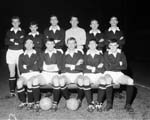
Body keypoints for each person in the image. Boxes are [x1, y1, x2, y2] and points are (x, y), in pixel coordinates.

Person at [31, 38, 63, 112]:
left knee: (56, 81)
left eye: (52, 44)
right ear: (45, 45)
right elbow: (39, 65)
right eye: (48, 44)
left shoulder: (59, 53)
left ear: (54, 44)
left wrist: (54, 67)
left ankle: (55, 103)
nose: (50, 46)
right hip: (45, 73)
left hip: (54, 74)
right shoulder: (42, 53)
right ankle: (37, 103)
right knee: (35, 80)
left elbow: (60, 66)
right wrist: (47, 67)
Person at [104, 38, 135, 112]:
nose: (113, 47)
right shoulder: (106, 54)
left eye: (115, 45)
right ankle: (109, 104)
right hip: (108, 73)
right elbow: (107, 67)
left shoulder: (121, 54)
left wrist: (113, 65)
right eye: (111, 45)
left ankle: (127, 105)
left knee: (130, 81)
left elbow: (125, 66)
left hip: (118, 73)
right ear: (109, 46)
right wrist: (119, 64)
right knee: (108, 80)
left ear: (117, 45)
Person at [82, 39, 112, 112]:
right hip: (88, 74)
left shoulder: (100, 54)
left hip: (98, 74)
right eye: (90, 44)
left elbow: (102, 68)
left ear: (96, 45)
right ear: (88, 45)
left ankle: (99, 103)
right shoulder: (85, 55)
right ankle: (90, 103)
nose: (92, 45)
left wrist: (92, 68)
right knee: (85, 81)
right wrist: (95, 67)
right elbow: (84, 68)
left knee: (103, 81)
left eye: (94, 44)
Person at [60, 37, 84, 109]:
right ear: (67, 44)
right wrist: (76, 65)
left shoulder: (80, 53)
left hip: (77, 74)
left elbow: (82, 67)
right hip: (67, 74)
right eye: (69, 43)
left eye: (73, 43)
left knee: (80, 81)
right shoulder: (64, 54)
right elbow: (62, 68)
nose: (71, 45)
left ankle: (79, 100)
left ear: (75, 44)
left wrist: (71, 66)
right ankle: (68, 99)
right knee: (61, 81)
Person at [5, 16, 25, 97]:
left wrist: (12, 40)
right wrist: (17, 40)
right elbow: (6, 42)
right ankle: (12, 92)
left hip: (20, 52)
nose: (15, 23)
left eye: (17, 22)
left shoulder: (22, 31)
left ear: (19, 23)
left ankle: (21, 90)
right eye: (14, 22)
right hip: (10, 52)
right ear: (12, 23)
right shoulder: (8, 31)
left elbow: (22, 41)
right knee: (12, 72)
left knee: (20, 73)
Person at [17, 39, 40, 110]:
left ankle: (31, 102)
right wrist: (31, 66)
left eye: (31, 43)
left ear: (33, 45)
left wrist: (26, 66)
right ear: (25, 45)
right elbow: (21, 68)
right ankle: (23, 102)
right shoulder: (21, 55)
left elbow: (38, 66)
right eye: (27, 43)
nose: (29, 45)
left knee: (30, 82)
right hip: (25, 74)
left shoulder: (37, 54)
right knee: (19, 82)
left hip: (35, 73)